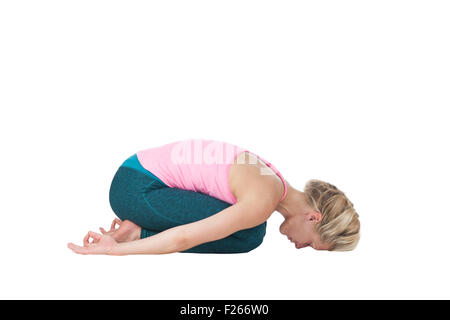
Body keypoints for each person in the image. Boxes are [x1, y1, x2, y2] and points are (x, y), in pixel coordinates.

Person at [67, 139, 360, 255]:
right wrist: (112, 251)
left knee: (249, 228)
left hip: (134, 174)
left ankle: (137, 229)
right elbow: (184, 238)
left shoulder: (273, 180)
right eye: (311, 243)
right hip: (135, 190)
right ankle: (137, 234)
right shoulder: (262, 201)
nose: (300, 247)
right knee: (250, 235)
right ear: (314, 217)